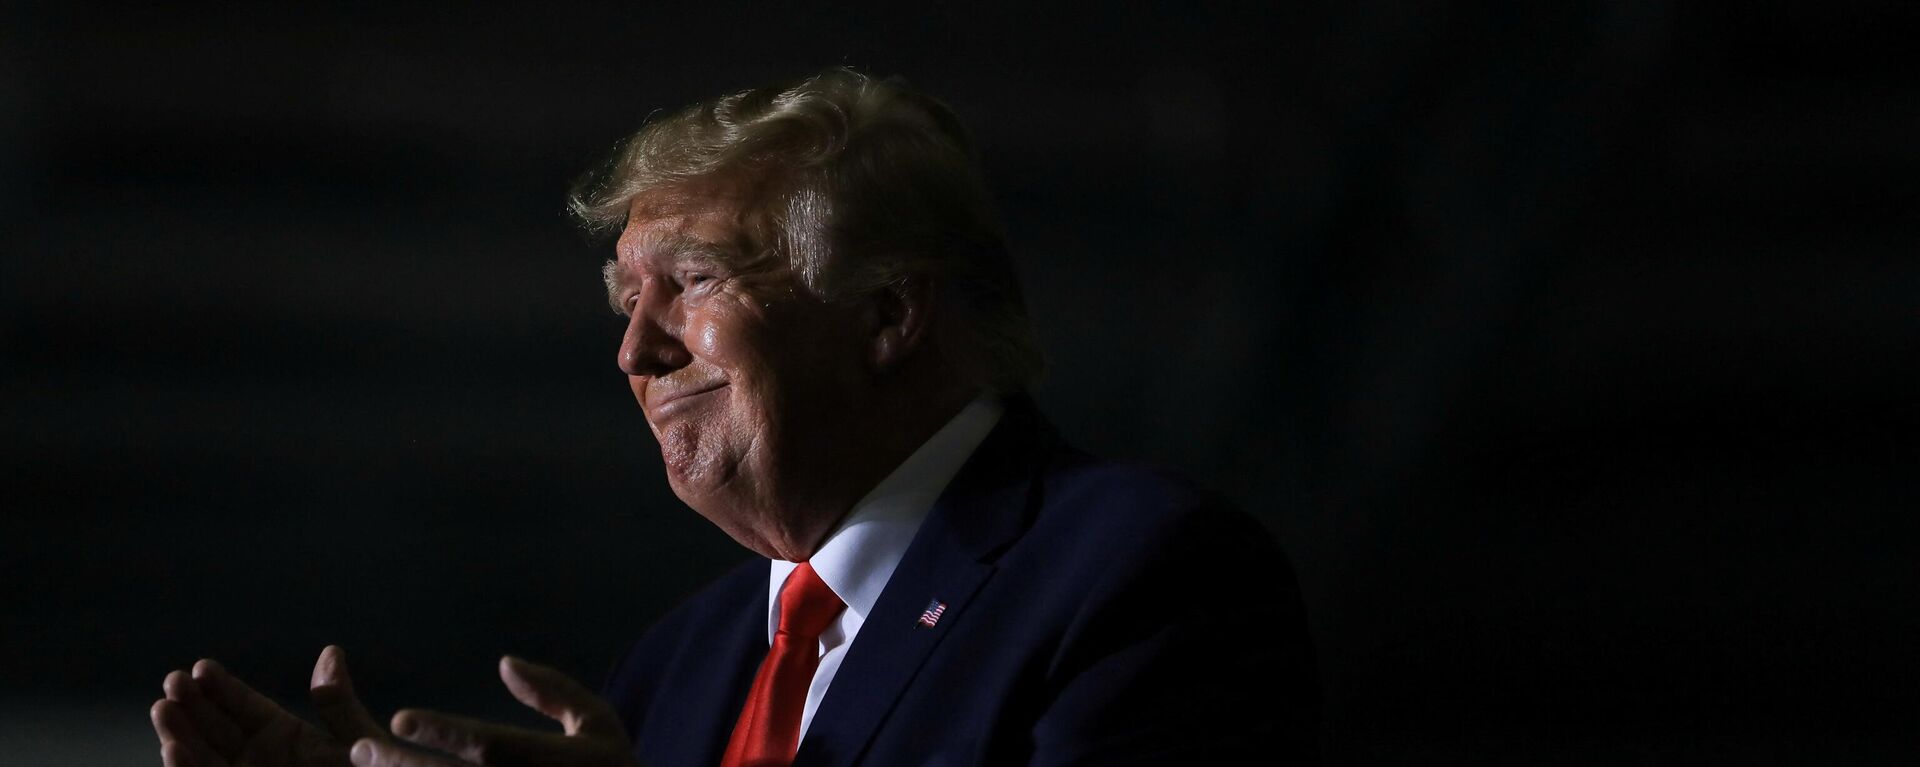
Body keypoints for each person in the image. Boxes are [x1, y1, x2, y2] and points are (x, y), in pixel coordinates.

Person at [148, 68, 1319, 767]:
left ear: (888, 310)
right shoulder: (682, 663)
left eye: (696, 281)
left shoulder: (1138, 576)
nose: (635, 349)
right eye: (626, 298)